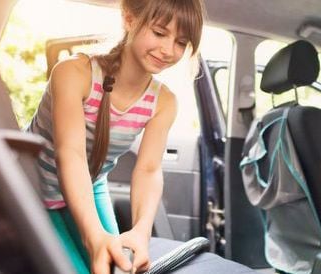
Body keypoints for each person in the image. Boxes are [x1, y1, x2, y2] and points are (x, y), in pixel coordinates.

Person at [26, 0, 204, 273]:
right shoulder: (74, 73)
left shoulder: (163, 102)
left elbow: (148, 169)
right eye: (159, 33)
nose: (169, 50)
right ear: (129, 18)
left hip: (92, 187)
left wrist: (141, 231)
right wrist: (94, 237)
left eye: (181, 42)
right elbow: (70, 155)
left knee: (115, 266)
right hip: (35, 187)